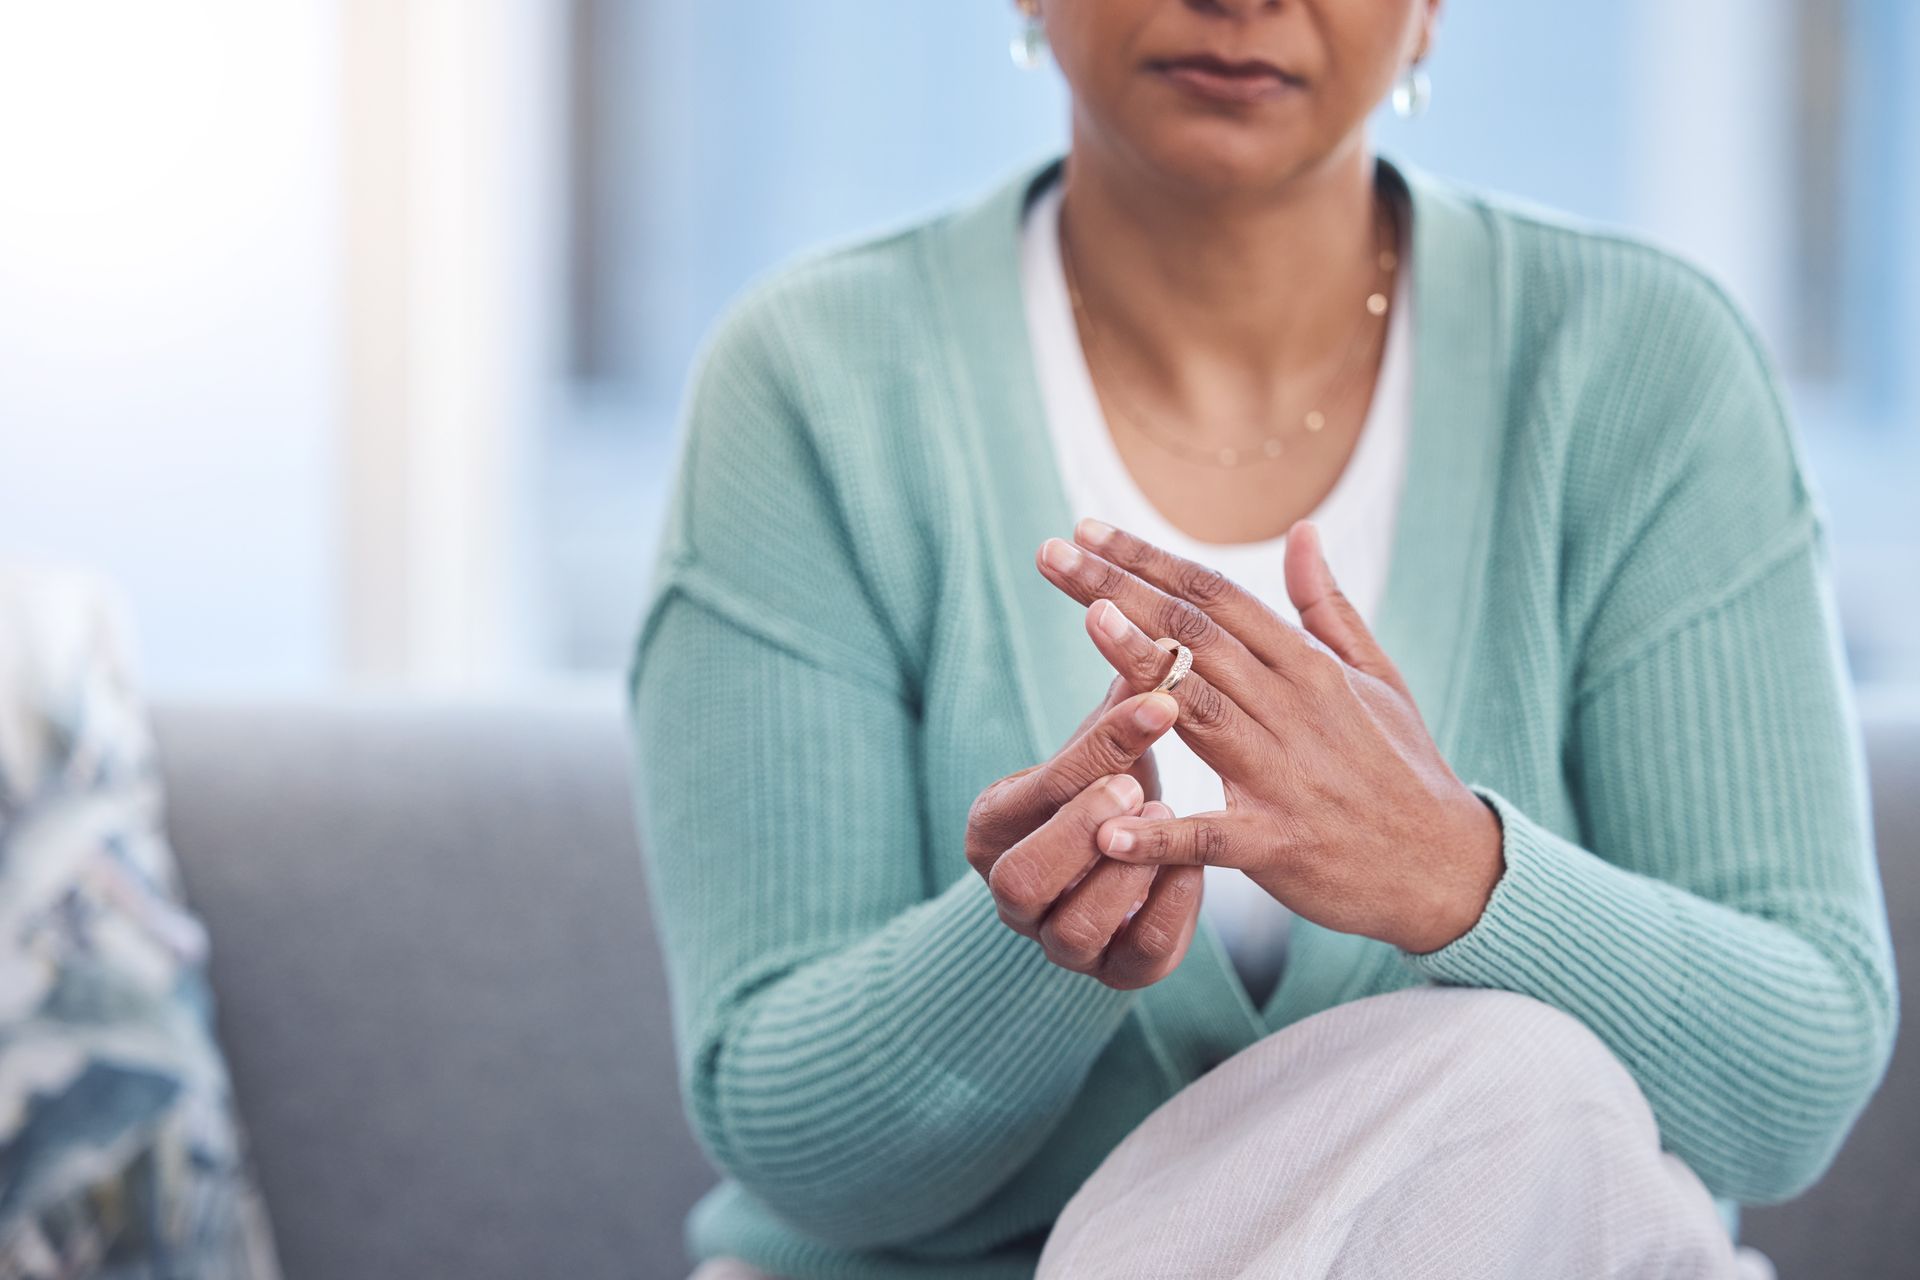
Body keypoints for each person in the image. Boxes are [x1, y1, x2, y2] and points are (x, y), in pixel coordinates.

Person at [630, 2, 1897, 1276]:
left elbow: (1791, 1086)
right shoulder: (814, 379)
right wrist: (1025, 950)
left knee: (1520, 1084)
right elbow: (790, 1139)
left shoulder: (1644, 365)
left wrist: (1462, 874)